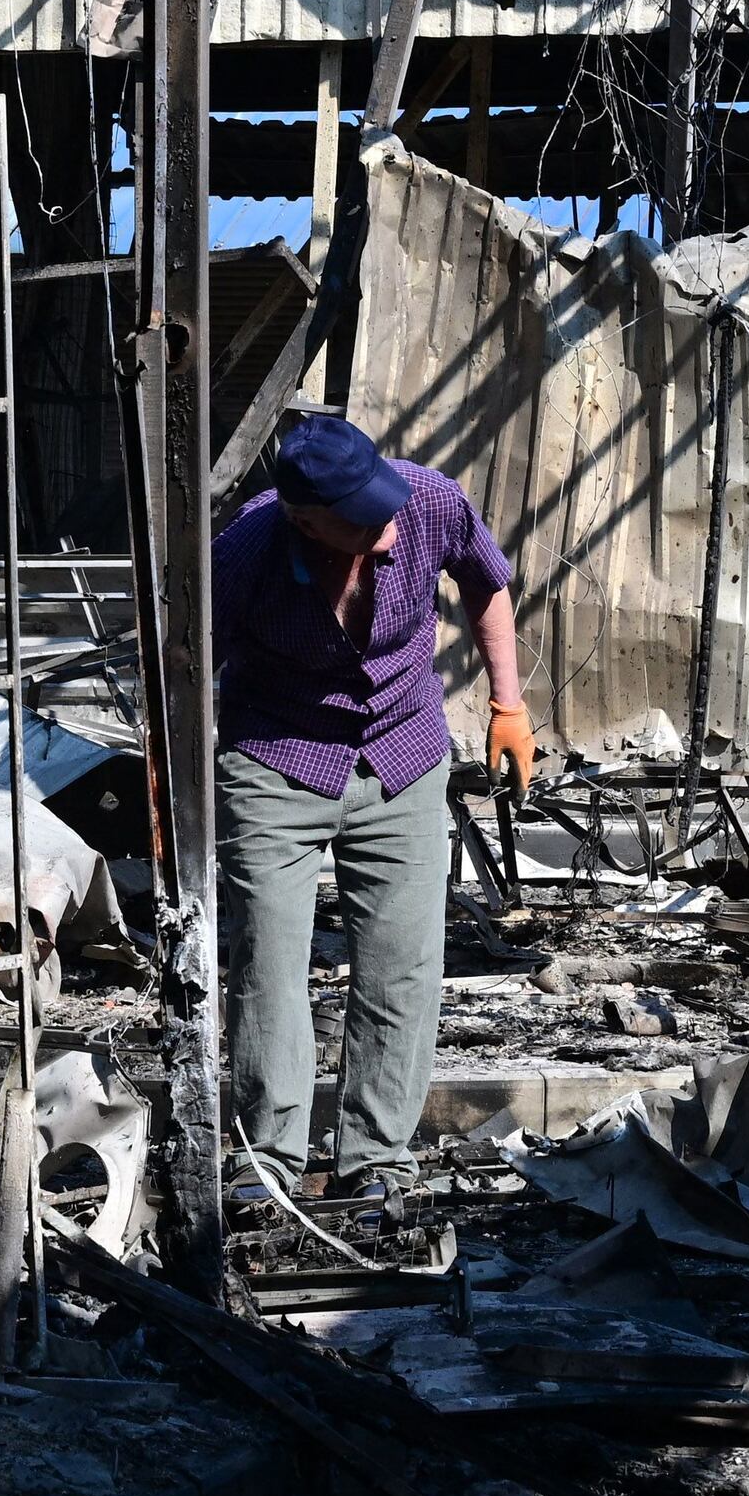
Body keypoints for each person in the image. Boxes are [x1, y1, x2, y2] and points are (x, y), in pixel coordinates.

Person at [211, 410, 533, 1201]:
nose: (386, 531)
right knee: (269, 963)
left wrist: (508, 702)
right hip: (276, 754)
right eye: (361, 521)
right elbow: (182, 656)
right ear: (306, 518)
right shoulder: (245, 551)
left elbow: (486, 579)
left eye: (383, 506)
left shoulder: (426, 501)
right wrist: (166, 767)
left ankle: (377, 1159)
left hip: (402, 748)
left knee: (403, 964)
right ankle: (269, 1161)